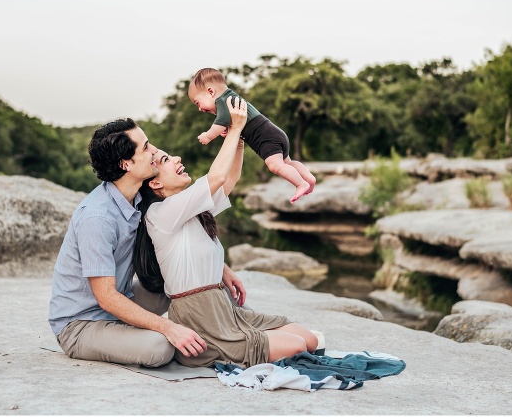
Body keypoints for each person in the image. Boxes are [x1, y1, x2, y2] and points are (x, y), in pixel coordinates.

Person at [133, 95, 318, 368]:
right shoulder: (160, 214)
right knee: (297, 346)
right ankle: (206, 352)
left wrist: (239, 139)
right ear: (156, 185)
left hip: (223, 307)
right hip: (200, 318)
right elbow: (216, 177)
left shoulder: (190, 208)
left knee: (309, 340)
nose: (177, 158)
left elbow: (229, 179)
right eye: (165, 160)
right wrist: (236, 128)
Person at [49, 118, 239, 367]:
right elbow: (105, 298)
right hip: (83, 323)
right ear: (126, 163)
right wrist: (169, 328)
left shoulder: (139, 197)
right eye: (146, 147)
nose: (154, 152)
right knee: (160, 348)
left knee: (191, 283)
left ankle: (236, 333)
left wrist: (219, 269)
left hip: (124, 298)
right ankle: (195, 338)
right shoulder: (97, 217)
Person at [188, 68, 317, 203]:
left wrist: (208, 135)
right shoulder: (231, 98)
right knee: (287, 162)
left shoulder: (221, 102)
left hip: (265, 137)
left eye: (198, 102)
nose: (200, 109)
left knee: (275, 166)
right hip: (275, 132)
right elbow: (229, 121)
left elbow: (219, 122)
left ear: (210, 91)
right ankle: (309, 179)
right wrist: (227, 128)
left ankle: (300, 184)